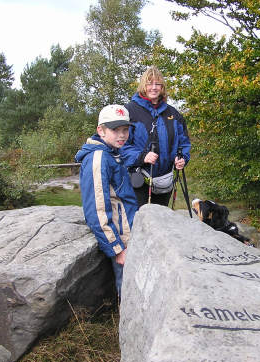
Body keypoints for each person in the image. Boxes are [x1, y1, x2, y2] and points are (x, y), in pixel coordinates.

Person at [75, 104, 138, 300]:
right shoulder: (99, 158)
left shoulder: (112, 153)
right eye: (115, 130)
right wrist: (117, 249)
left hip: (128, 234)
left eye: (125, 129)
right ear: (100, 131)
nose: (122, 135)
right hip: (120, 239)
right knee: (127, 290)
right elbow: (97, 209)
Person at [121, 66, 191, 207]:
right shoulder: (129, 111)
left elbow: (184, 143)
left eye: (157, 84)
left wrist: (182, 158)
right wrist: (142, 157)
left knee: (162, 221)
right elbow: (120, 145)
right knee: (140, 221)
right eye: (149, 83)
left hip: (165, 181)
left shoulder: (174, 114)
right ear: (143, 85)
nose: (153, 87)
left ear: (162, 87)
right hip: (138, 180)